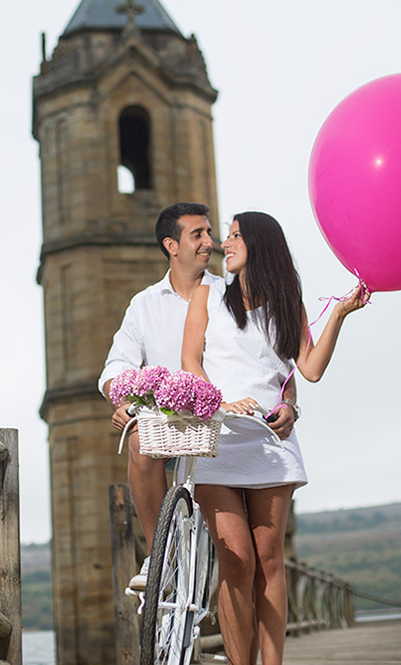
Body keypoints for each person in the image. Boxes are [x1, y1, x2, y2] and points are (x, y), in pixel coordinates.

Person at [181, 211, 370, 665]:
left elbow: (308, 370)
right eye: (227, 235)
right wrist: (217, 399)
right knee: (235, 559)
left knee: (268, 562)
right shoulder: (206, 296)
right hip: (218, 441)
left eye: (236, 235)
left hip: (271, 444)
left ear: (260, 244)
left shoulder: (289, 305)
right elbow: (190, 363)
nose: (225, 242)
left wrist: (341, 315)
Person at [99, 203, 299, 594]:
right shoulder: (145, 304)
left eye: (211, 232)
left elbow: (277, 356)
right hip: (172, 426)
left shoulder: (232, 291)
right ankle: (161, 553)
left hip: (231, 428)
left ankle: (246, 651)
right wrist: (120, 401)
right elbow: (116, 365)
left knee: (247, 557)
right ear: (171, 245)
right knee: (140, 441)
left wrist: (290, 403)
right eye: (198, 235)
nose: (212, 242)